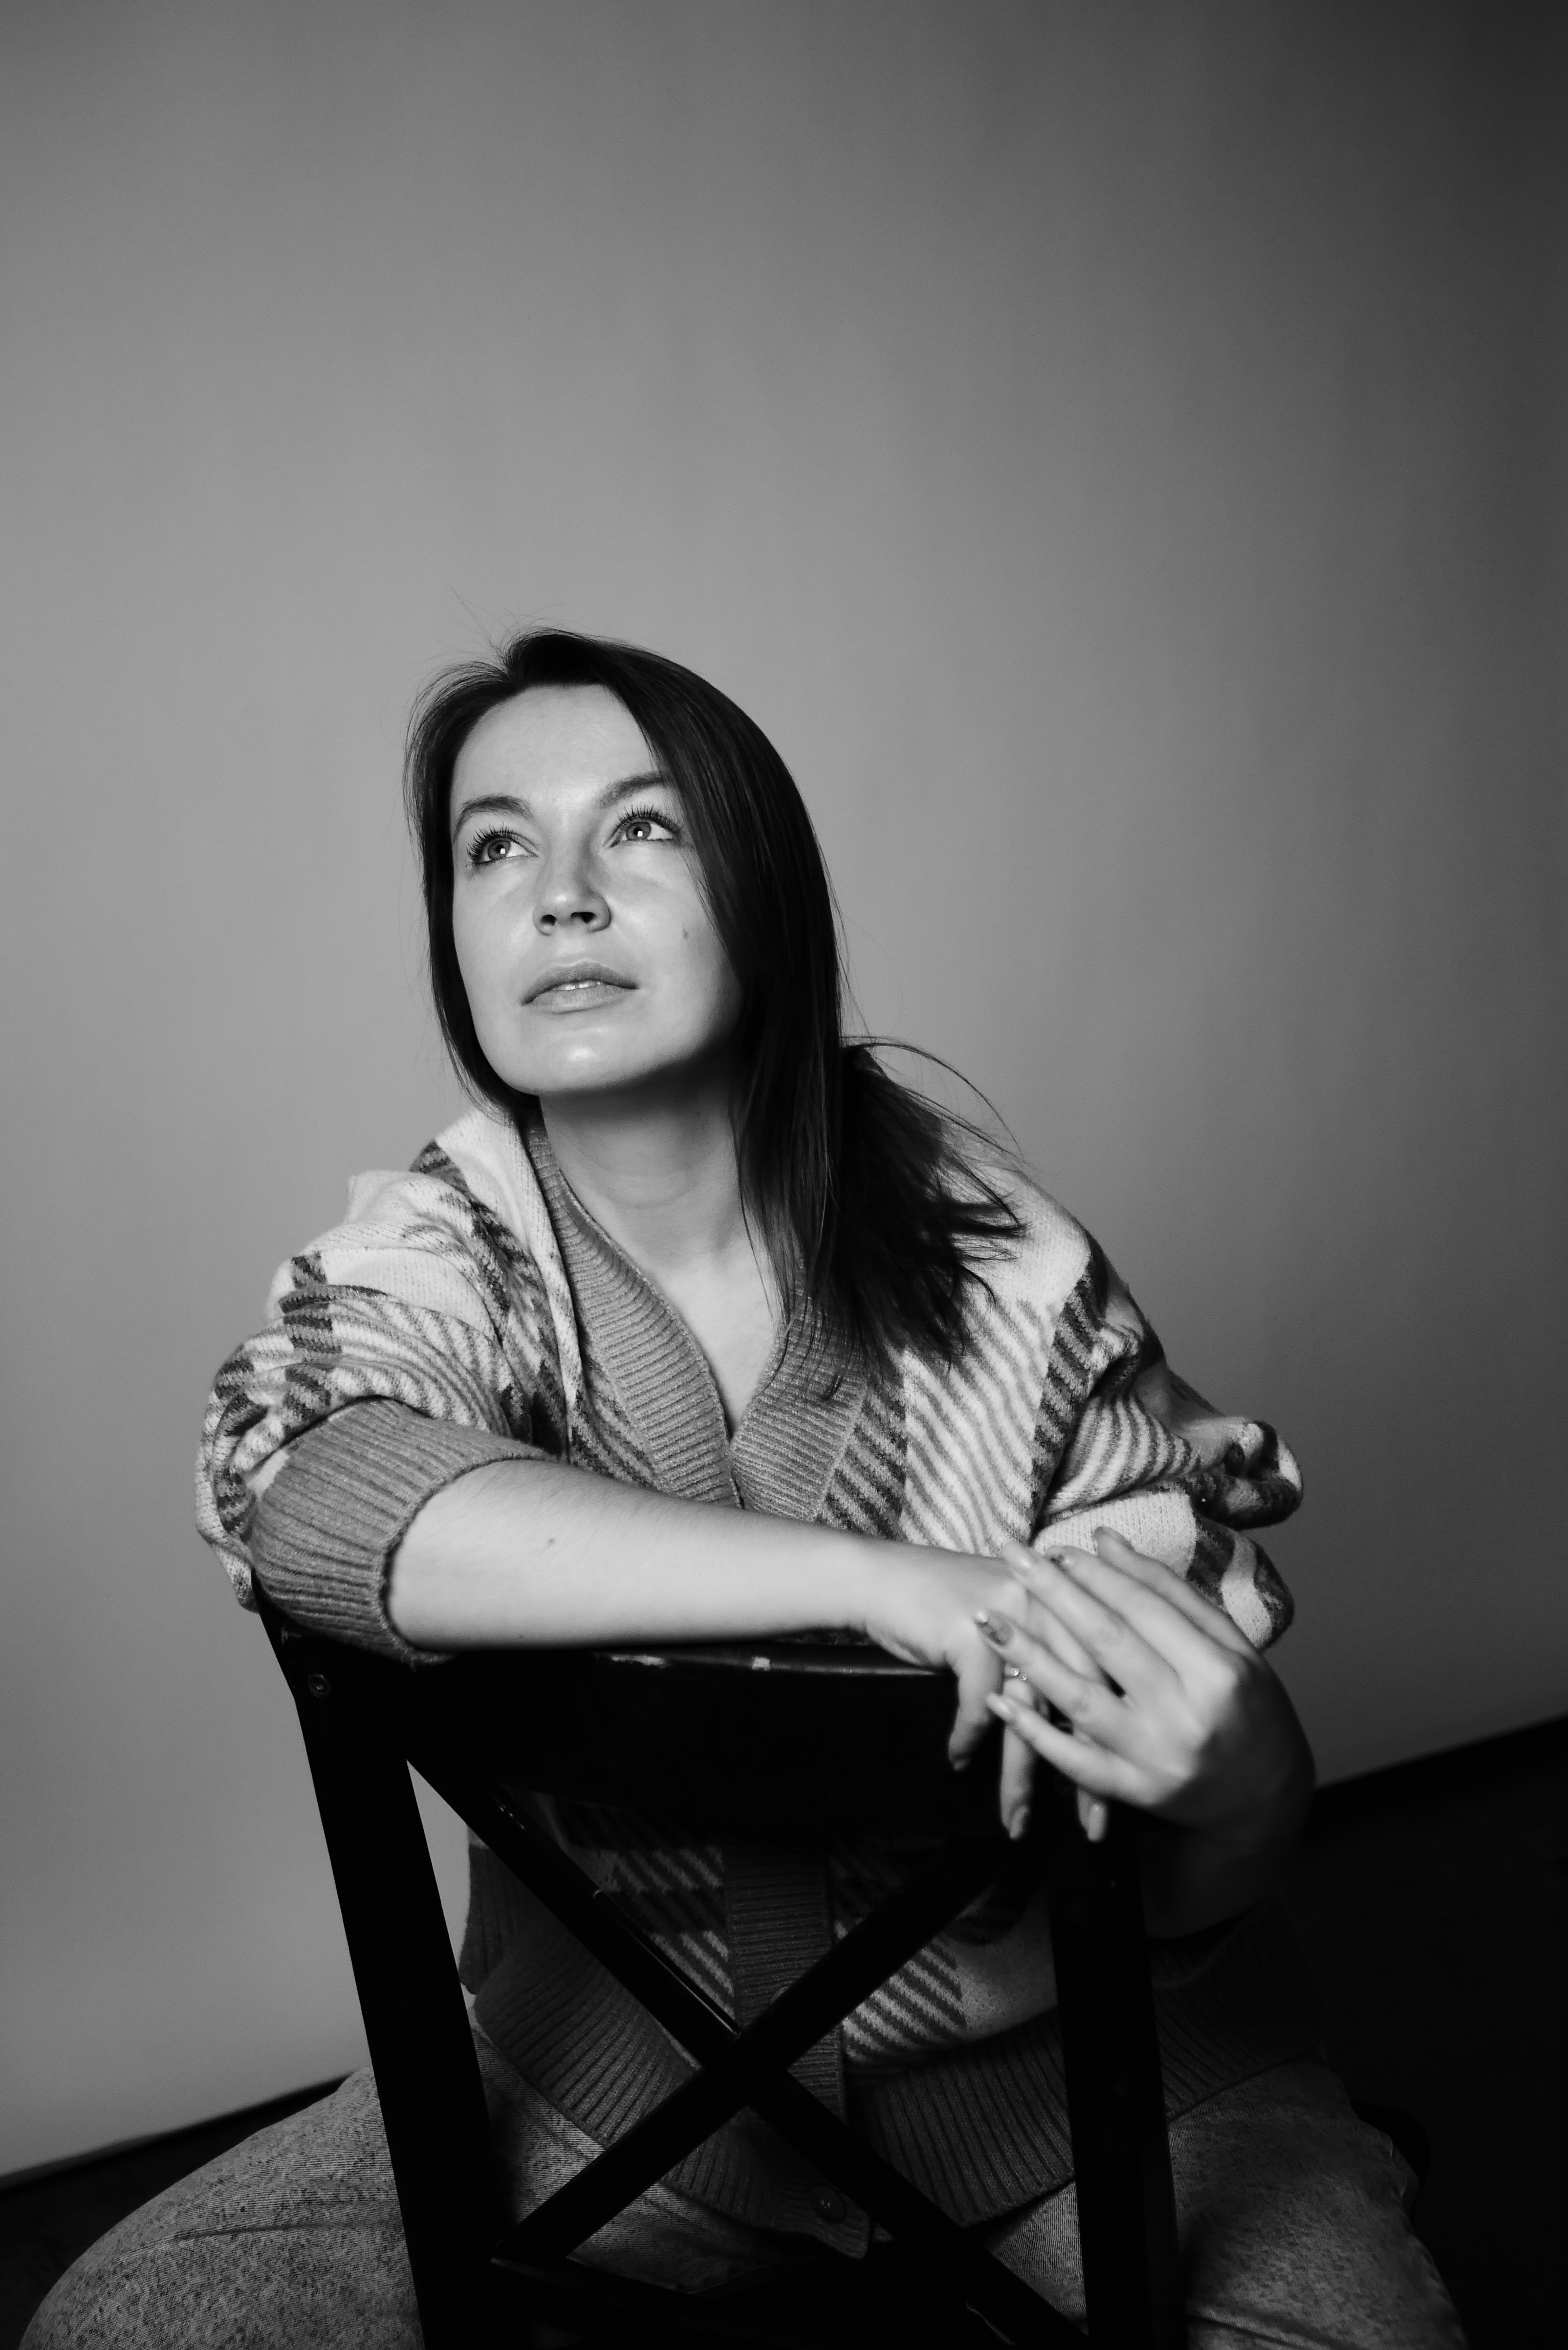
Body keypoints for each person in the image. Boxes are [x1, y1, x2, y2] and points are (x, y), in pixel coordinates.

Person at [26, 630, 1463, 2346]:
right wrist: (871, 1581)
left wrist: (1248, 1784)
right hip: (603, 2115)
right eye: (496, 846)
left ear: (765, 895)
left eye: (642, 830)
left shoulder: (1007, 1272)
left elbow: (1175, 1856)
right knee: (124, 2327)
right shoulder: (443, 1251)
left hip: (1096, 2092)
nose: (560, 895)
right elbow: (302, 1480)